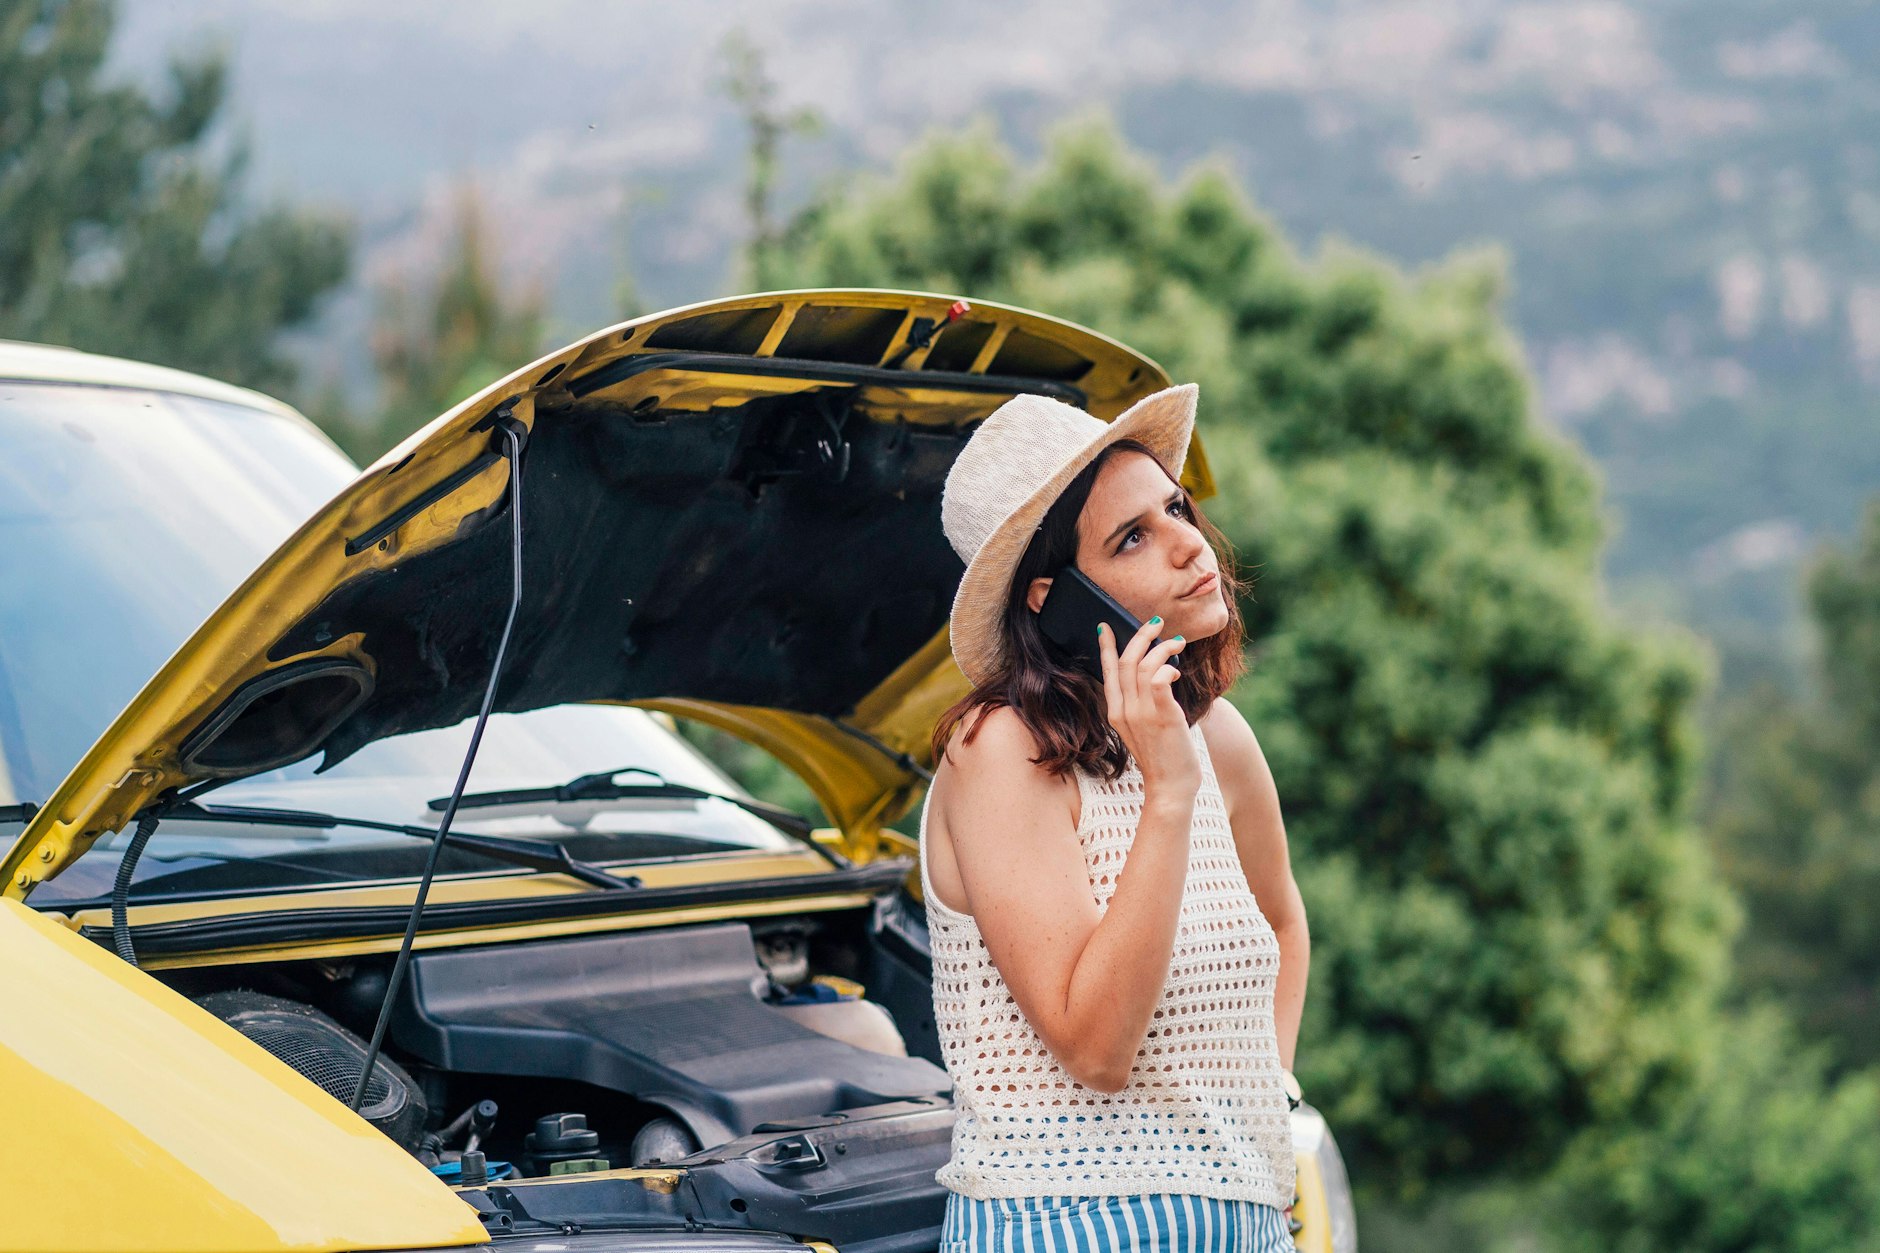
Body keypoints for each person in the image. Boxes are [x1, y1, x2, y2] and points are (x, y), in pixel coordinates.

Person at [918, 383, 1309, 1253]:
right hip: (1066, 1226)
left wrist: (1271, 1093)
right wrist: (1168, 798)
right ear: (1054, 601)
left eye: (1176, 508)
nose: (1186, 544)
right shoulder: (1000, 754)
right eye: (1134, 536)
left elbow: (1282, 921)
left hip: (1246, 1223)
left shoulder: (1219, 735)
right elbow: (1095, 1046)